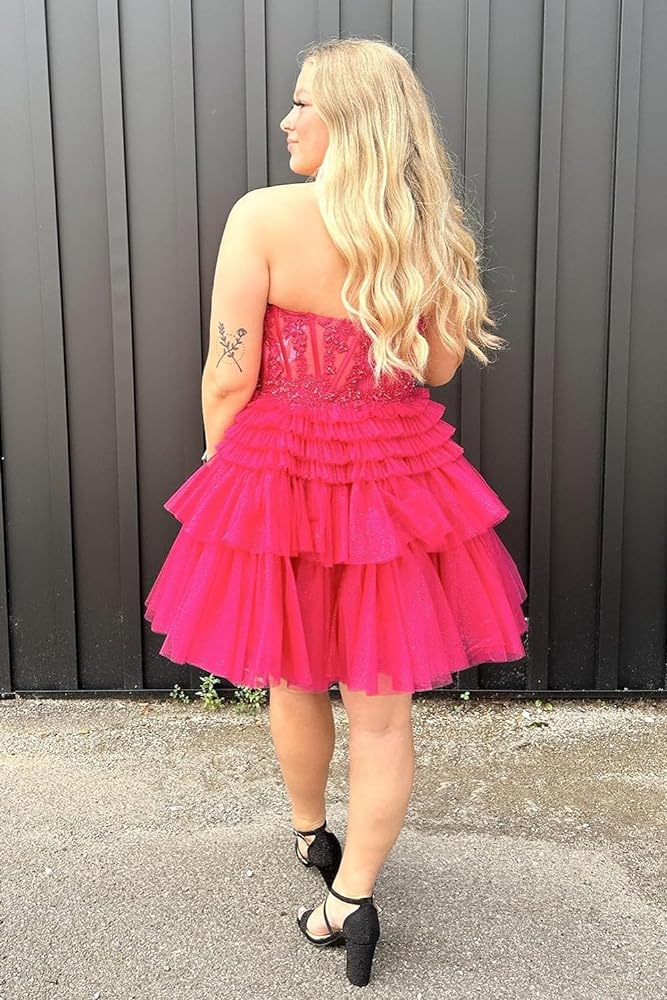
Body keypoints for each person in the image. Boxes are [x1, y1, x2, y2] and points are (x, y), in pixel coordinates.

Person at [144, 37, 528, 988]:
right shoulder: (425, 233)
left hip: (280, 471)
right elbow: (438, 367)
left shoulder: (263, 216)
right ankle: (349, 899)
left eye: (303, 103)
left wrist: (221, 465)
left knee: (292, 670)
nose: (286, 120)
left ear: (350, 119)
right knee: (383, 711)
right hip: (396, 478)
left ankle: (311, 832)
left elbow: (227, 372)